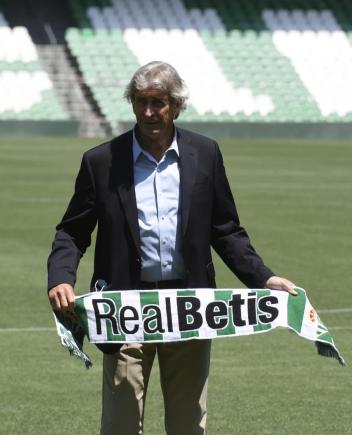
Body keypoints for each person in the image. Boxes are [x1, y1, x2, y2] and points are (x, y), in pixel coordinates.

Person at [47, 61, 297, 435]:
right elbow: (72, 231)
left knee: (187, 425)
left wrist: (264, 278)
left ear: (176, 105)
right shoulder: (101, 162)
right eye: (140, 101)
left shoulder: (205, 154)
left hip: (189, 308)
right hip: (125, 309)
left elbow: (226, 230)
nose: (148, 112)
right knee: (120, 425)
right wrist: (61, 277)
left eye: (158, 102)